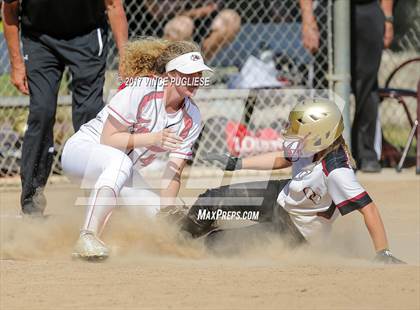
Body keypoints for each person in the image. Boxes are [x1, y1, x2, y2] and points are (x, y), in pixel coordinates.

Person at [180, 98, 405, 264]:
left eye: (297, 127)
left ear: (319, 133)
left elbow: (370, 210)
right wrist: (237, 164)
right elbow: (283, 159)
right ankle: (177, 239)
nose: (287, 129)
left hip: (294, 231)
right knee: (211, 200)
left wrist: (382, 252)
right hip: (281, 196)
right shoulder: (313, 145)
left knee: (217, 244)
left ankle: (198, 246)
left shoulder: (337, 171)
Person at [61, 38, 213, 260]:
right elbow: (108, 139)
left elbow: (174, 170)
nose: (195, 80)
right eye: (188, 74)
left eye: (198, 74)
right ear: (171, 74)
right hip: (83, 152)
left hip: (120, 173)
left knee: (163, 221)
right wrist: (153, 137)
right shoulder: (142, 90)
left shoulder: (192, 117)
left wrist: (167, 209)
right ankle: (87, 236)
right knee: (119, 162)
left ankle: (120, 244)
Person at [1, 0, 128, 216]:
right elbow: (10, 10)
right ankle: (32, 200)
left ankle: (97, 197)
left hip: (87, 35)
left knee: (90, 115)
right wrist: (17, 64)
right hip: (40, 39)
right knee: (41, 111)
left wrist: (125, 57)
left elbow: (114, 6)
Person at [299, 0, 394, 172]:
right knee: (325, 84)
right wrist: (307, 18)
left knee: (367, 85)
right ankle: (325, 152)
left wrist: (387, 17)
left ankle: (366, 154)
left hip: (368, 9)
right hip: (329, 10)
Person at [126, 0, 241, 60]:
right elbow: (156, 11)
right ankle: (162, 70)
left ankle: (199, 67)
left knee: (231, 19)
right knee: (183, 25)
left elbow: (215, 6)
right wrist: (195, 12)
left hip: (203, 22)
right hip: (163, 23)